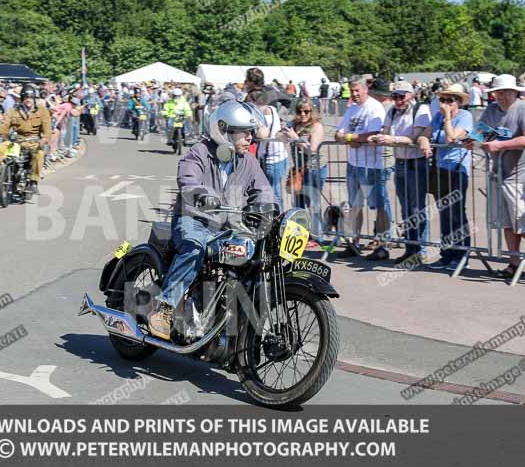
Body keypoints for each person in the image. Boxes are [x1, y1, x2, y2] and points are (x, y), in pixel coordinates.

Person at [147, 100, 276, 340]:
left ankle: (228, 321)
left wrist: (271, 208)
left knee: (255, 257)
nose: (250, 138)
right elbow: (188, 178)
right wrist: (201, 195)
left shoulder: (247, 161)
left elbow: (264, 189)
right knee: (195, 248)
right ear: (225, 130)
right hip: (194, 220)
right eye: (244, 132)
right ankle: (163, 310)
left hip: (227, 226)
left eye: (251, 132)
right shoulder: (200, 152)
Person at [471, 74, 525, 278]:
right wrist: (471, 140)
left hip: (521, 174)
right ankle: (513, 261)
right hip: (499, 171)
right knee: (505, 221)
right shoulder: (491, 109)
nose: (501, 96)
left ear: (515, 92)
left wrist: (499, 144)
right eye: (498, 92)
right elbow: (480, 132)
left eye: (506, 92)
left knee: (520, 219)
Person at [368, 81, 432, 263]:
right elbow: (385, 131)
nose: (398, 100)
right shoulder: (392, 111)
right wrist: (378, 137)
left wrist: (391, 138)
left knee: (417, 208)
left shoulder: (421, 110)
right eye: (395, 96)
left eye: (402, 96)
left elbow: (416, 137)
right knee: (405, 209)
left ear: (411, 95)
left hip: (416, 162)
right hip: (401, 162)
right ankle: (410, 248)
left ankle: (422, 249)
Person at [334, 77, 391, 260]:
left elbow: (373, 135)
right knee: (355, 206)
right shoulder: (351, 108)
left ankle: (382, 244)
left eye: (357, 90)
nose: (354, 94)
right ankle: (355, 242)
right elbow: (338, 134)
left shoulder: (375, 107)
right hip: (353, 164)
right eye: (352, 91)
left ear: (366, 90)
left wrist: (350, 138)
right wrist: (353, 138)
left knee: (378, 206)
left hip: (371, 166)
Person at [422, 83, 474, 270]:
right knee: (444, 212)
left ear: (458, 102)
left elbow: (452, 137)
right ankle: (447, 253)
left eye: (450, 100)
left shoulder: (465, 117)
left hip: (457, 169)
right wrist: (424, 142)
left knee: (457, 213)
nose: (445, 103)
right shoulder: (437, 116)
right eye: (442, 100)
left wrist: (447, 119)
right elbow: (425, 134)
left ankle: (461, 255)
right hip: (439, 168)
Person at [282, 98, 327, 244]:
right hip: (300, 169)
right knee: (299, 204)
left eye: (306, 111)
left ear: (312, 111)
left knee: (313, 203)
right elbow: (280, 135)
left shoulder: (316, 126)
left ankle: (317, 236)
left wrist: (296, 139)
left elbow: (312, 150)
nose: (303, 114)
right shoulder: (294, 125)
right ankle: (300, 235)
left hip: (315, 169)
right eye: (299, 111)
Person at [0, 85, 51, 195]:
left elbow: (47, 131)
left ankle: (33, 182)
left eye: (31, 97)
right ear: (22, 98)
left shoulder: (42, 111)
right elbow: (5, 124)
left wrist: (44, 139)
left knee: (39, 154)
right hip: (17, 142)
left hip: (34, 142)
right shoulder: (13, 111)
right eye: (25, 97)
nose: (28, 99)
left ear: (34, 98)